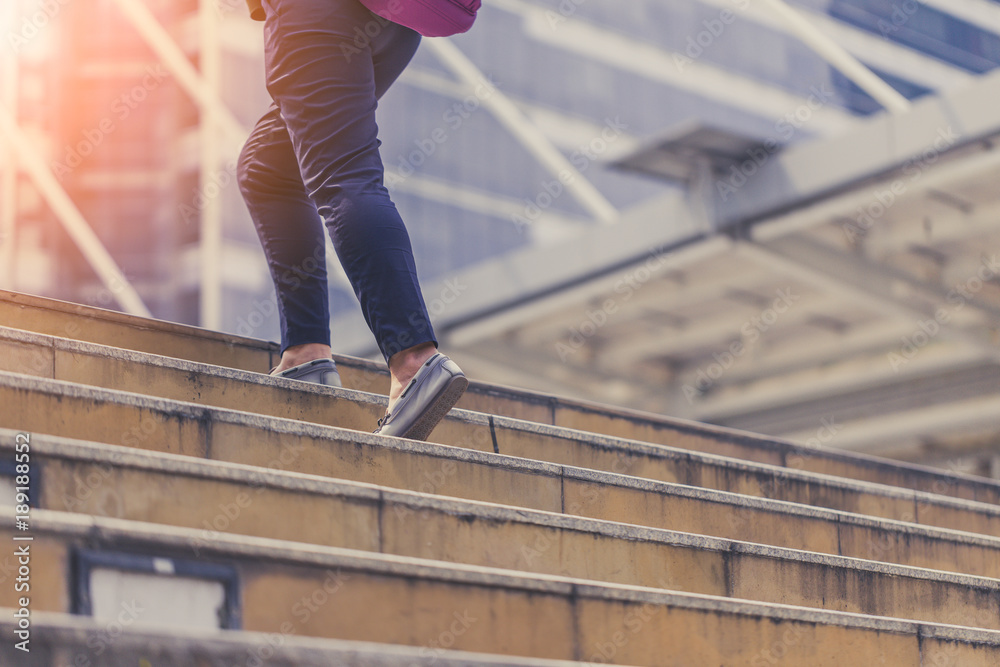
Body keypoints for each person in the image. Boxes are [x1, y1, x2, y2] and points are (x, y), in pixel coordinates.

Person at [237, 0, 478, 440]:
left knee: (345, 176)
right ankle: (306, 354)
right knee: (268, 169)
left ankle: (413, 362)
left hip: (320, 12)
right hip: (395, 23)